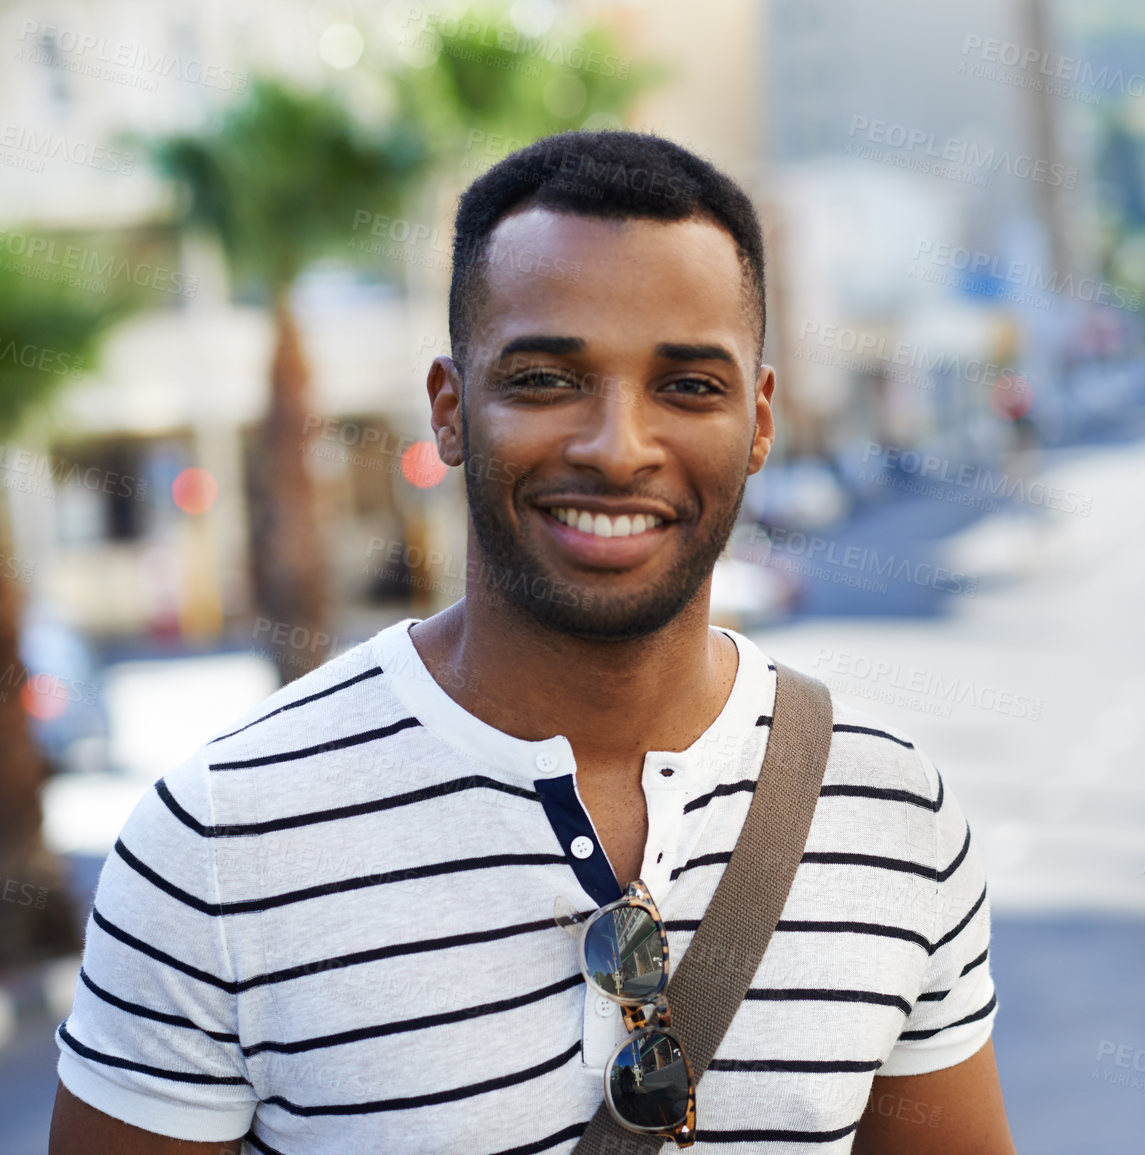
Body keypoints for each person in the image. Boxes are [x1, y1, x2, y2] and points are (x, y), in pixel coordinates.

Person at [48, 132, 1014, 1154]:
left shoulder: (893, 812)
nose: (617, 446)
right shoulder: (217, 844)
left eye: (688, 386)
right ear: (451, 409)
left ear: (760, 420)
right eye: (548, 380)